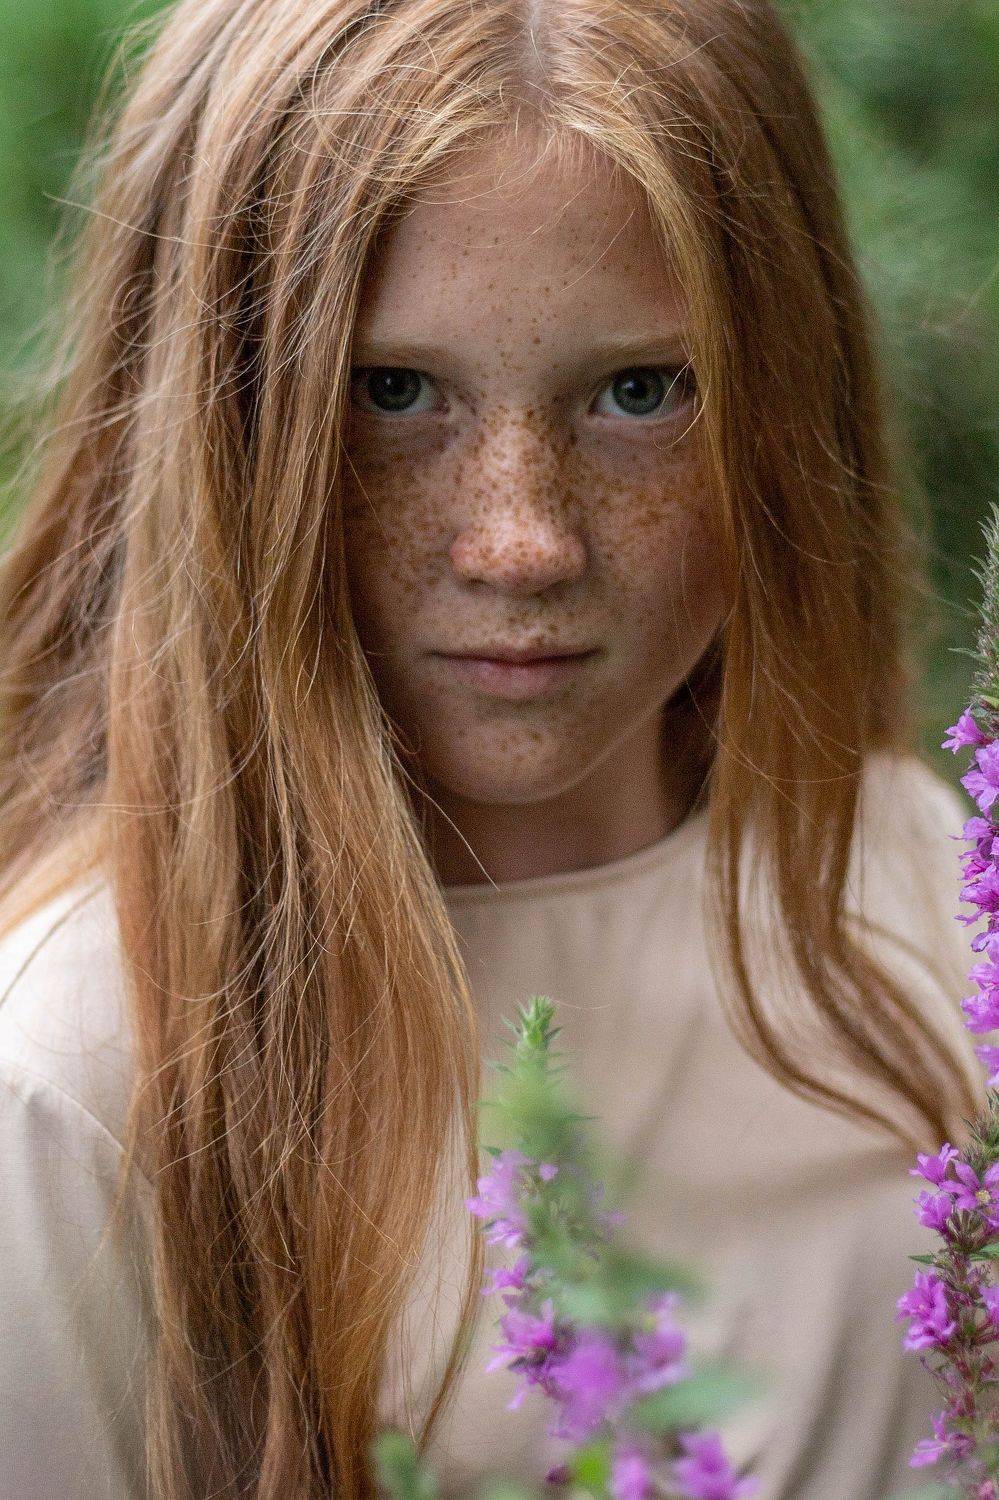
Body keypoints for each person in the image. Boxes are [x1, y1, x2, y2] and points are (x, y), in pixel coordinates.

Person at [0, 0, 983, 1495]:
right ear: (212, 431)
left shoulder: (924, 879)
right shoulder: (82, 1082)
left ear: (790, 401)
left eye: (639, 391)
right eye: (391, 393)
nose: (522, 542)